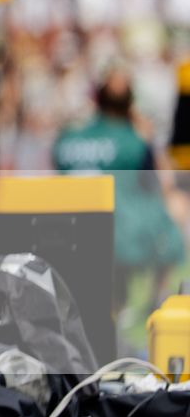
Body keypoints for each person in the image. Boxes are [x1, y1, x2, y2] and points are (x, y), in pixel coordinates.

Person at [52, 64, 186, 352]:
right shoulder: (133, 141)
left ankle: (121, 316)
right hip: (122, 235)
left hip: (64, 233)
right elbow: (163, 184)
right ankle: (153, 303)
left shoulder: (67, 138)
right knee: (173, 223)